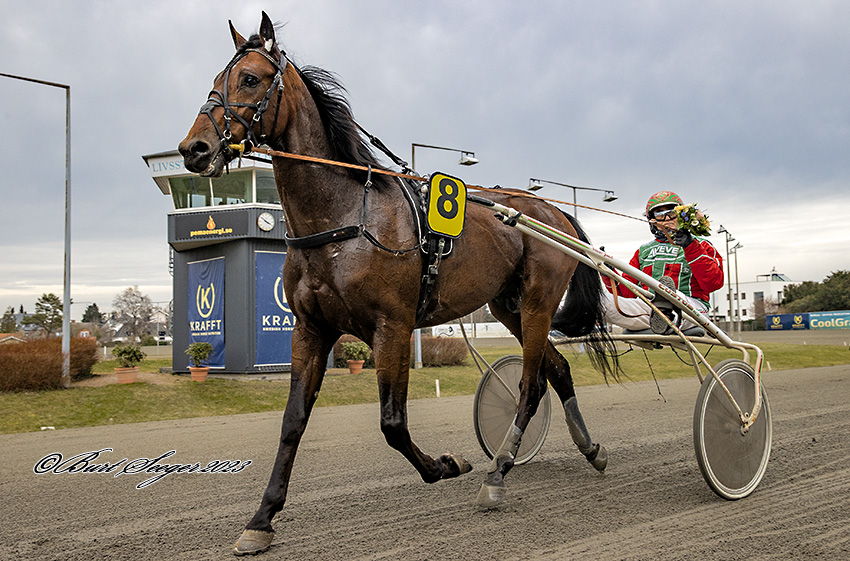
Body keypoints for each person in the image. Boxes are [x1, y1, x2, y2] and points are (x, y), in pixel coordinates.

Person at [602, 190, 724, 334]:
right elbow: (626, 295)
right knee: (597, 299)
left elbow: (713, 283)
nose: (666, 218)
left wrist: (690, 247)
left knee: (669, 292)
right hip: (648, 309)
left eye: (671, 212)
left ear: (681, 215)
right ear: (651, 220)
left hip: (692, 310)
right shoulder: (643, 251)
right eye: (659, 214)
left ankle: (666, 313)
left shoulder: (702, 245)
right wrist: (608, 273)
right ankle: (661, 315)